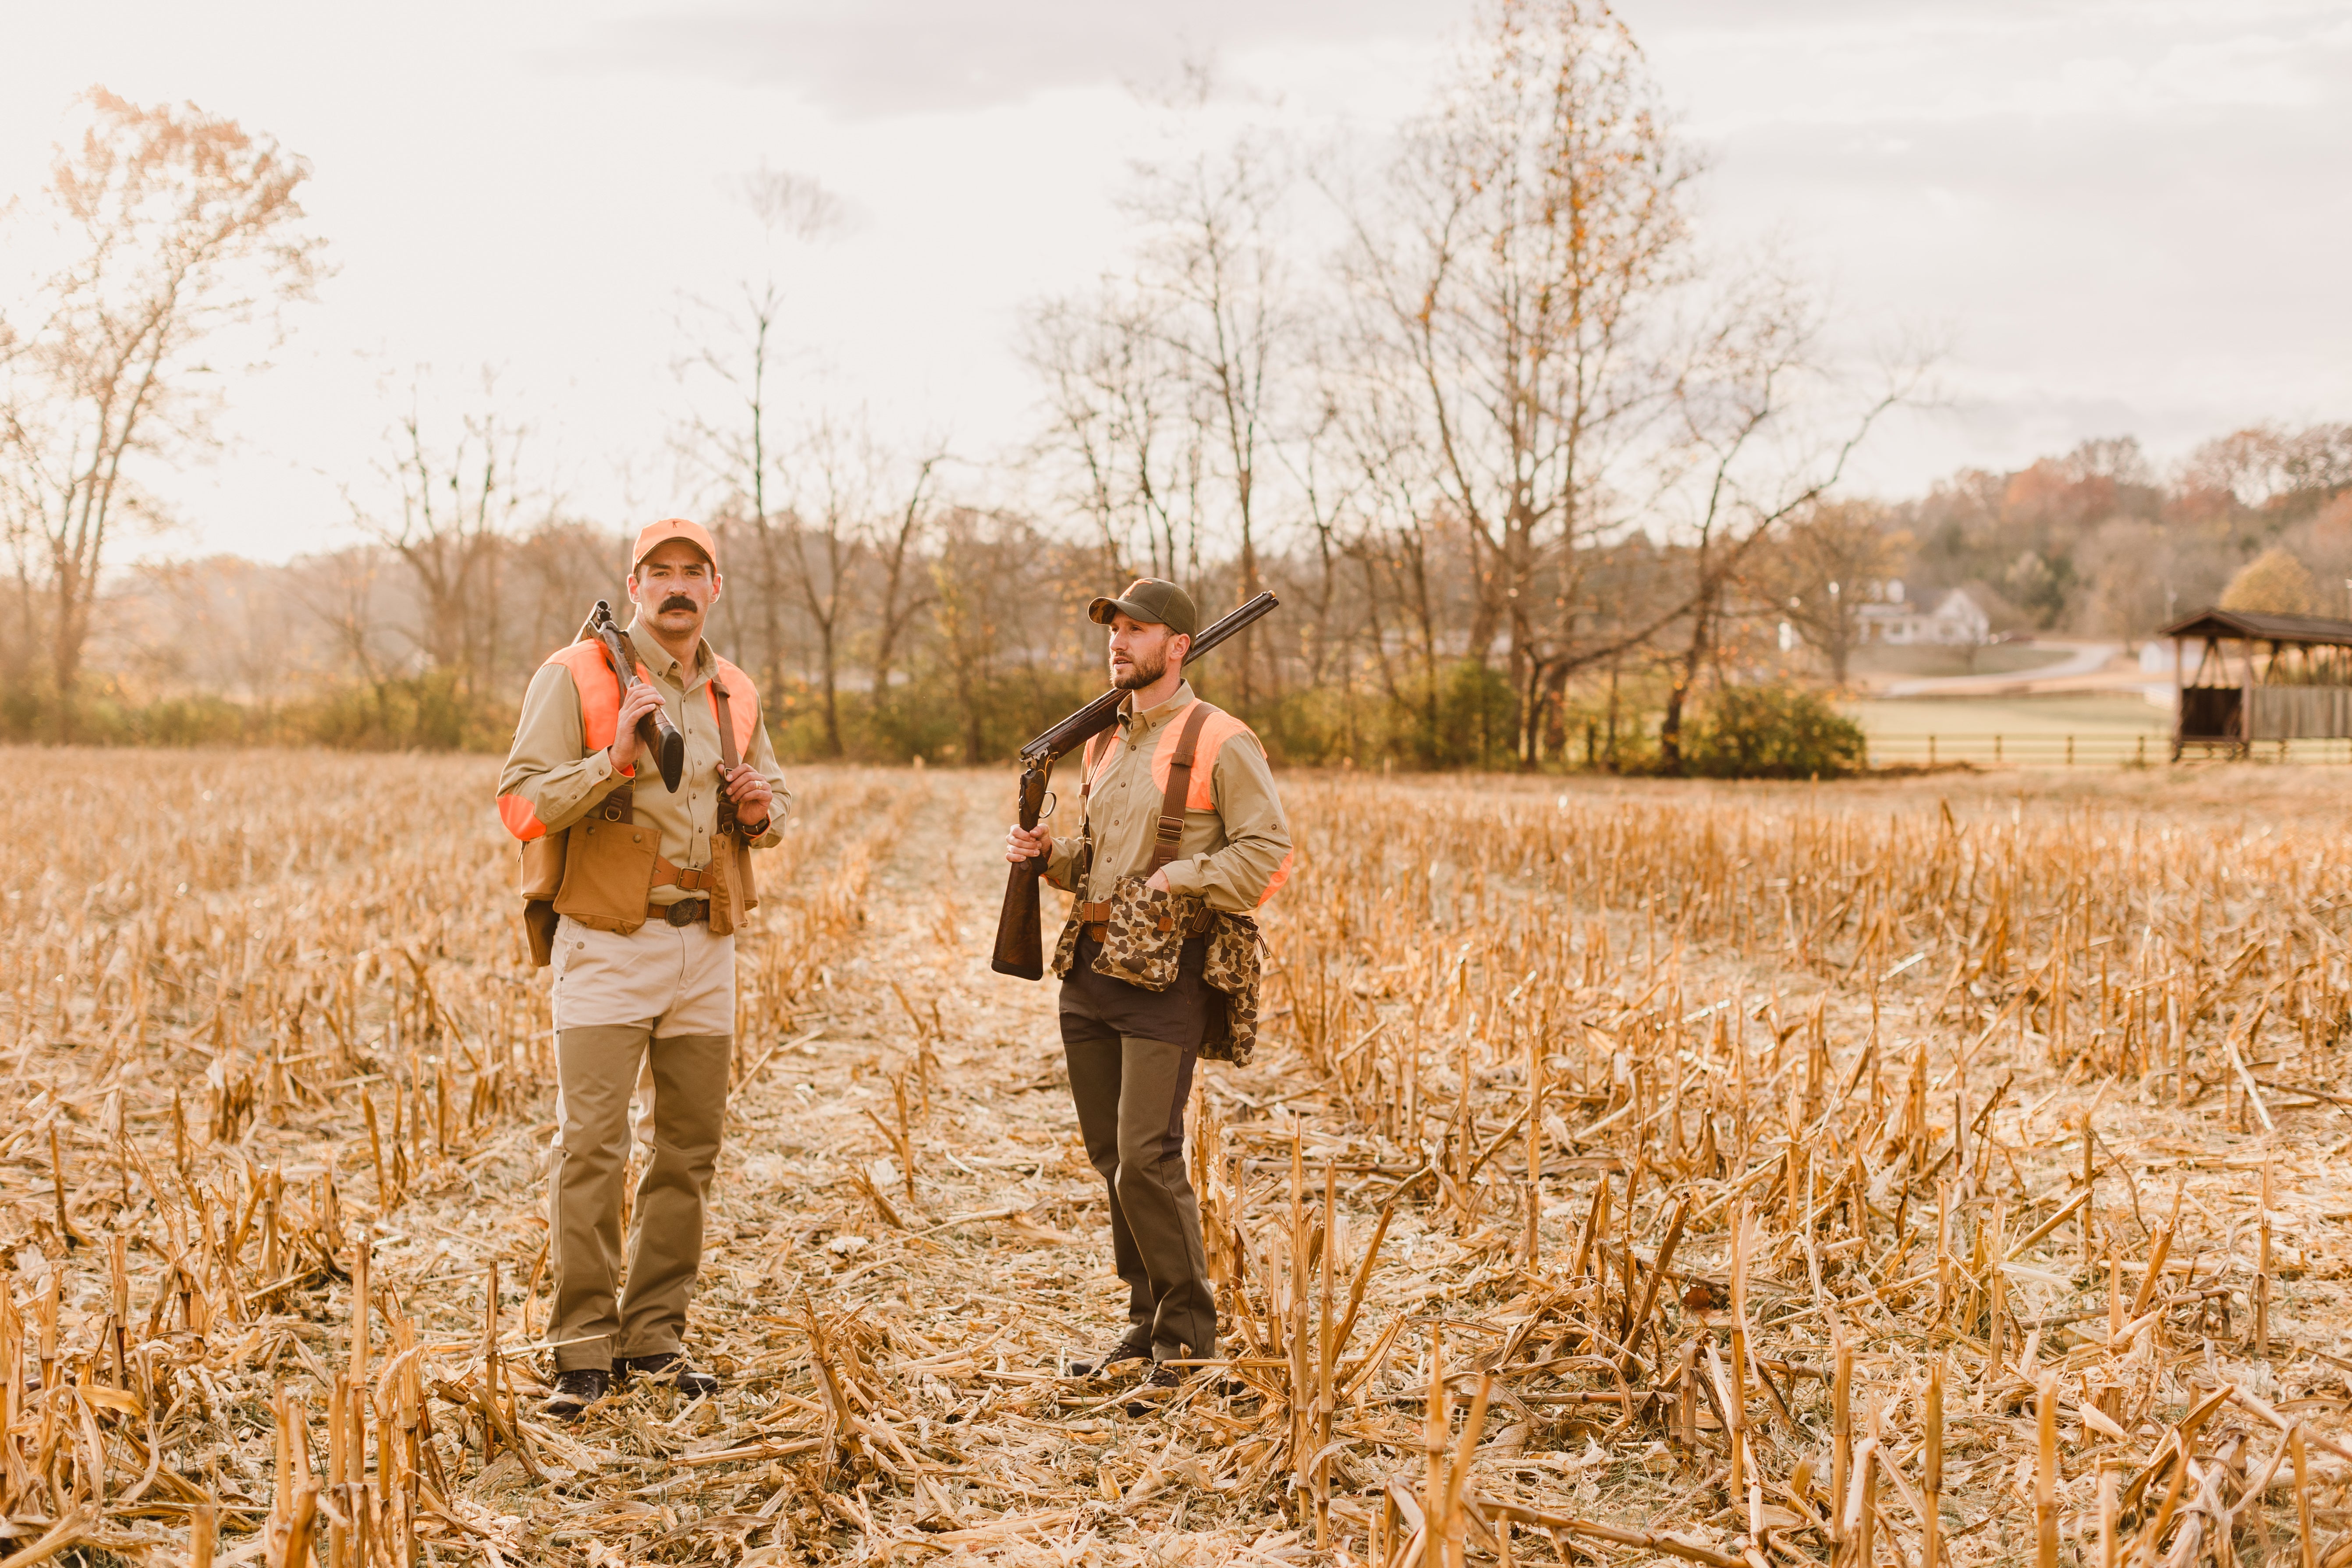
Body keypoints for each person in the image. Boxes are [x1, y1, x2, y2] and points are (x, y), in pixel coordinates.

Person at [496, 518, 789, 1419]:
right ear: (632, 585)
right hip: (607, 940)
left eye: (690, 572)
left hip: (708, 943)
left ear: (715, 588)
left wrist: (757, 804)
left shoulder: (734, 689)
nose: (674, 586)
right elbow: (518, 804)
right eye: (657, 571)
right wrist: (611, 760)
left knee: (687, 1151)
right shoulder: (576, 673)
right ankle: (581, 1347)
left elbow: (772, 801)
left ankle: (656, 1337)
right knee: (592, 1147)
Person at [1003, 578, 1292, 1387]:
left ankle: (1190, 1342)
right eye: (1113, 630)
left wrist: (1183, 880)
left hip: (1169, 972)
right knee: (1110, 1157)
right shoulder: (1103, 742)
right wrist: (1049, 857)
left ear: (1178, 646)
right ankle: (1147, 1318)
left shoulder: (1222, 739)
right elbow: (1094, 862)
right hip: (1091, 968)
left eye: (1137, 630)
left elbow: (1268, 854)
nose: (1118, 642)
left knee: (1147, 1156)